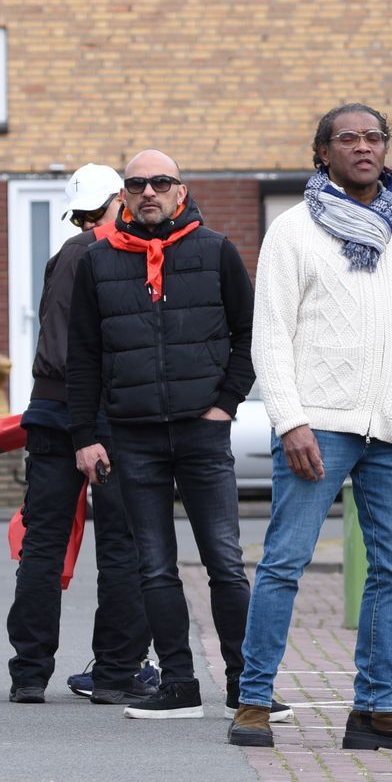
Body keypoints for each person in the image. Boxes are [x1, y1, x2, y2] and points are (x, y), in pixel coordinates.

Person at [231, 104, 392, 753]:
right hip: (317, 429)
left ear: (385, 149)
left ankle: (374, 712)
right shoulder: (294, 231)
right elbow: (269, 334)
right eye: (348, 138)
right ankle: (252, 703)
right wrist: (290, 420)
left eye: (373, 137)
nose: (363, 147)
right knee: (283, 564)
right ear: (322, 152)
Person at [67, 150, 262, 721]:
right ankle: (179, 683)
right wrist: (85, 433)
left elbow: (250, 333)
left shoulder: (216, 251)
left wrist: (226, 403)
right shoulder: (97, 262)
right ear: (122, 196)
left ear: (182, 191)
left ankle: (244, 683)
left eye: (160, 182)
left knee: (225, 562)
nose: (148, 191)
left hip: (203, 435)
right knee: (154, 567)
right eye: (136, 184)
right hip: (133, 438)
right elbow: (82, 357)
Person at [5, 163, 155, 706]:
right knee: (122, 544)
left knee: (42, 545)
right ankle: (117, 671)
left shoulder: (60, 257)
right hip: (108, 418)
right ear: (119, 198)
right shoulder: (119, 253)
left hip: (48, 412)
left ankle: (28, 673)